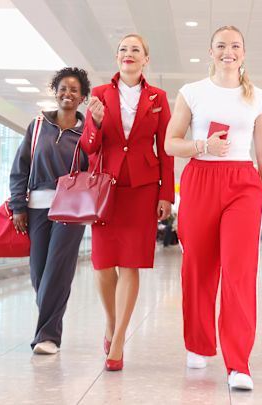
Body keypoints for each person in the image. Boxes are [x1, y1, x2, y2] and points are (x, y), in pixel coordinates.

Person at [164, 25, 262, 391]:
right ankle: (198, 344)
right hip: (201, 179)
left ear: (244, 53)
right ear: (210, 52)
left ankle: (239, 362)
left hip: (243, 184)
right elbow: (170, 144)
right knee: (198, 267)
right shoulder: (192, 92)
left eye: (235, 46)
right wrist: (202, 146)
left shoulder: (259, 98)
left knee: (239, 271)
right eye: (221, 46)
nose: (228, 51)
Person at [80, 34, 174, 371]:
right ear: (116, 58)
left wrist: (167, 194)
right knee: (104, 265)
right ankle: (110, 321)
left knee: (131, 263)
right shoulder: (100, 95)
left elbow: (165, 148)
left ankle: (118, 339)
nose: (129, 54)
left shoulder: (158, 97)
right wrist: (97, 121)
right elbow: (90, 146)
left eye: (136, 50)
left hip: (143, 187)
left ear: (146, 59)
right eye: (123, 49)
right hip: (107, 187)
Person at [9, 67, 91, 354]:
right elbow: (20, 168)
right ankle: (49, 322)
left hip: (71, 207)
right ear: (55, 92)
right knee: (39, 272)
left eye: (74, 90)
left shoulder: (86, 132)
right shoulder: (37, 126)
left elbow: (93, 169)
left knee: (58, 270)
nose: (67, 94)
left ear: (82, 98)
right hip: (36, 207)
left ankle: (47, 337)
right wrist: (18, 205)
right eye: (63, 88)